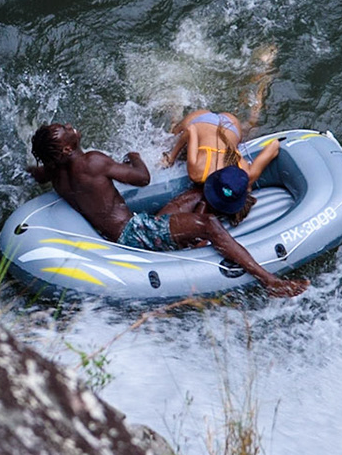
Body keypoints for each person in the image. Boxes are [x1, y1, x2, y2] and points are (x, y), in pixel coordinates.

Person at [28, 123, 306, 297]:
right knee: (208, 225)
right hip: (134, 233)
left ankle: (191, 237)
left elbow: (37, 174)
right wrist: (134, 157)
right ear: (67, 150)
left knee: (196, 194)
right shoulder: (93, 162)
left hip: (123, 230)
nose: (70, 126)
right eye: (65, 130)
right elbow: (142, 178)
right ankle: (269, 281)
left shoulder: (53, 171)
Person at [162, 44, 282, 184]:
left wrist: (251, 179)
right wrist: (171, 157)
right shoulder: (197, 173)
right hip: (201, 122)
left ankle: (263, 72)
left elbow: (274, 145)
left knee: (250, 124)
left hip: (229, 125)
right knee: (173, 138)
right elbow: (191, 130)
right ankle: (175, 107)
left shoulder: (246, 175)